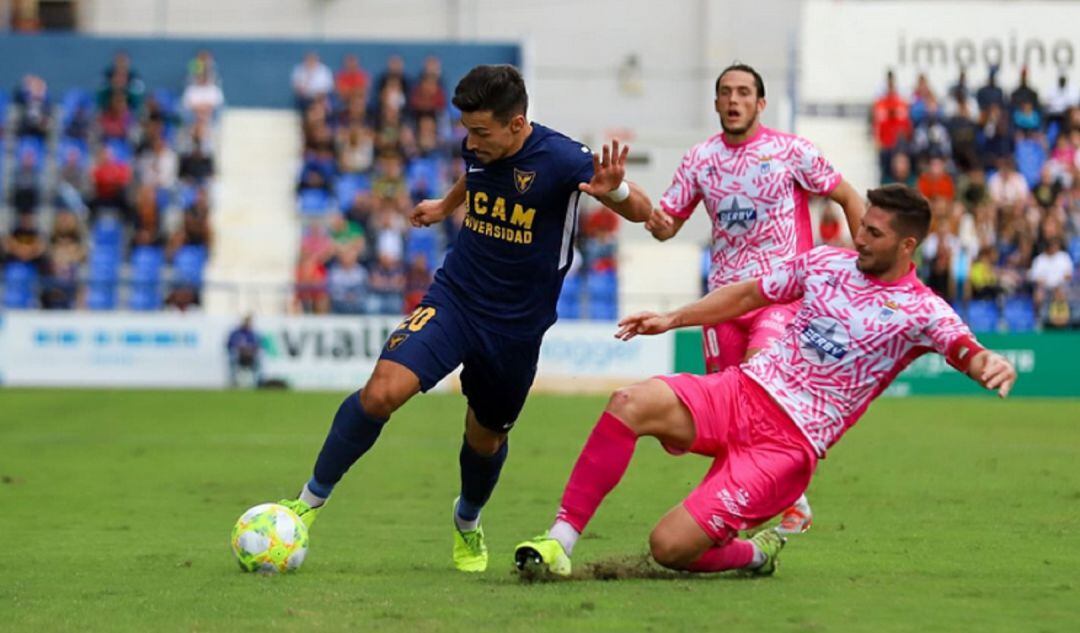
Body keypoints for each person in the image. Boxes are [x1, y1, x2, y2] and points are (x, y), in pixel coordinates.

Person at [513, 184, 1017, 579]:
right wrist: (672, 318)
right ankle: (559, 541)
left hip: (786, 445)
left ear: (908, 245)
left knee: (668, 548)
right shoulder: (826, 263)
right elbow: (748, 295)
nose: (860, 238)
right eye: (862, 225)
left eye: (875, 234)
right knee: (628, 401)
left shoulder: (921, 309)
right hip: (743, 391)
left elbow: (963, 349)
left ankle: (755, 555)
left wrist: (986, 362)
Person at [275, 64, 653, 572]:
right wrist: (444, 204)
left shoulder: (564, 160)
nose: (470, 143)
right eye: (465, 131)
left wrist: (616, 192)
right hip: (455, 298)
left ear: (517, 124)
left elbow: (643, 212)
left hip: (515, 329)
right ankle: (306, 503)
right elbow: (474, 176)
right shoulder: (476, 147)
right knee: (381, 392)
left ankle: (467, 520)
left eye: (481, 132)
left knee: (485, 437)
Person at [643, 63, 867, 534]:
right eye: (725, 92)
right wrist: (628, 199)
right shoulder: (700, 160)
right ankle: (760, 501)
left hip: (781, 297)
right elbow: (666, 226)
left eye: (744, 92)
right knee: (729, 417)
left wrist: (865, 258)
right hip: (724, 302)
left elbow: (846, 195)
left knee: (760, 389)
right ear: (716, 102)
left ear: (760, 103)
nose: (733, 100)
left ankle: (787, 497)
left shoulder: (791, 152)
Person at [226, 315, 262, 388]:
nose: (248, 324)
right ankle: (233, 382)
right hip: (238, 355)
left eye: (249, 322)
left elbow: (257, 345)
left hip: (250, 356)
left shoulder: (253, 334)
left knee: (258, 360)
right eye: (246, 322)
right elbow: (230, 345)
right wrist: (240, 348)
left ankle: (257, 383)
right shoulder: (236, 333)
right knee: (232, 356)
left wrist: (250, 349)